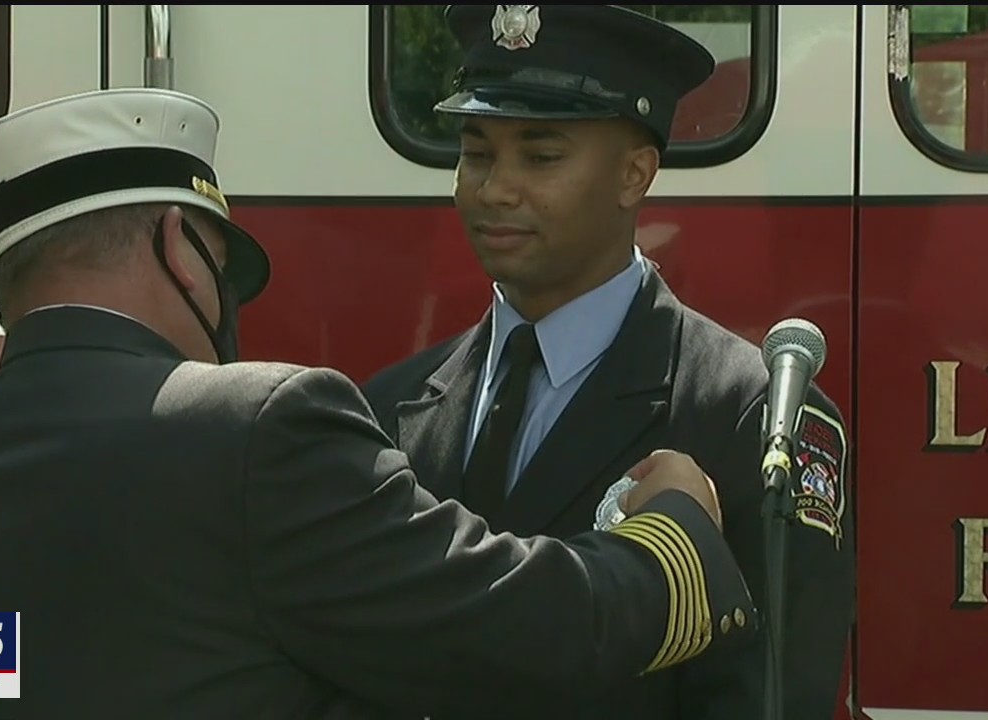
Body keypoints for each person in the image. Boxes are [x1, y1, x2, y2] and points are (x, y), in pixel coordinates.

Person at [0, 87, 759, 720]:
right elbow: (527, 631)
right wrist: (674, 534)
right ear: (179, 244)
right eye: (222, 266)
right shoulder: (255, 432)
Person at [363, 5, 856, 720]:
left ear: (634, 174)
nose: (495, 188)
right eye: (476, 153)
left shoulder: (749, 417)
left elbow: (773, 697)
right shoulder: (389, 408)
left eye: (541, 157)